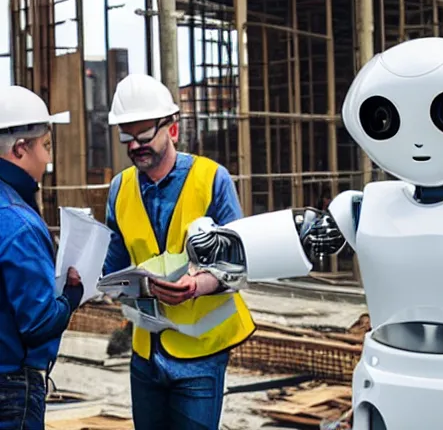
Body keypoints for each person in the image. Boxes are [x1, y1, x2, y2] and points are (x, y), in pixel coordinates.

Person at [103, 74, 255, 430]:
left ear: (172, 130)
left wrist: (198, 284)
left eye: (144, 136)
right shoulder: (119, 189)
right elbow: (112, 267)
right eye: (127, 136)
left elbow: (241, 260)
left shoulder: (211, 179)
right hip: (145, 352)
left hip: (201, 355)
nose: (134, 145)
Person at [0, 85, 84, 430]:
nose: (48, 158)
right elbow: (37, 324)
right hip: (11, 389)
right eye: (46, 146)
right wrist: (72, 296)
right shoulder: (18, 222)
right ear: (21, 148)